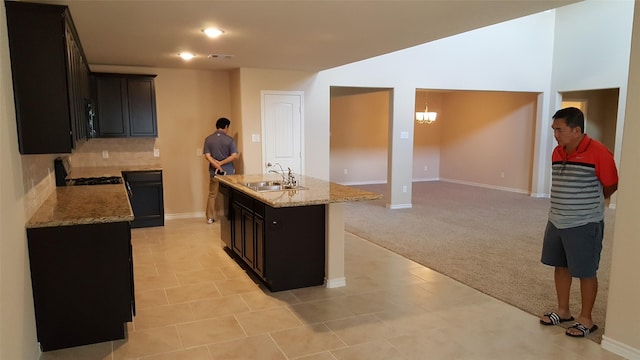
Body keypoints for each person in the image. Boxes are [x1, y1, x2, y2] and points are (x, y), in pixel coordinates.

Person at [539, 107, 618, 338]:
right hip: (556, 220)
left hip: (584, 223)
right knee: (560, 265)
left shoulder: (599, 152)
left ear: (576, 130)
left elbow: (611, 184)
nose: (555, 134)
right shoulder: (557, 152)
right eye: (554, 129)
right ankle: (563, 311)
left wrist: (591, 204)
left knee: (585, 271)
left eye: (559, 129)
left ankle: (586, 319)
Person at [203, 117, 238, 224]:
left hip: (214, 172)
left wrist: (215, 164)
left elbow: (207, 156)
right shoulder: (230, 140)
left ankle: (210, 217)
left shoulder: (208, 139)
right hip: (228, 172)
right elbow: (234, 156)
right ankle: (231, 216)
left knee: (212, 194)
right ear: (226, 127)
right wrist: (222, 163)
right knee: (230, 194)